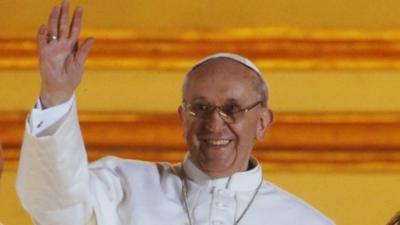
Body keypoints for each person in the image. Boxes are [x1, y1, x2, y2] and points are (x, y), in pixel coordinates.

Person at [16, 0, 335, 225]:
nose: (214, 124)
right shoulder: (122, 187)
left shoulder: (304, 221)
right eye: (200, 108)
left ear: (262, 122)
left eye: (232, 109)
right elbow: (57, 211)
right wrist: (56, 95)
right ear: (183, 118)